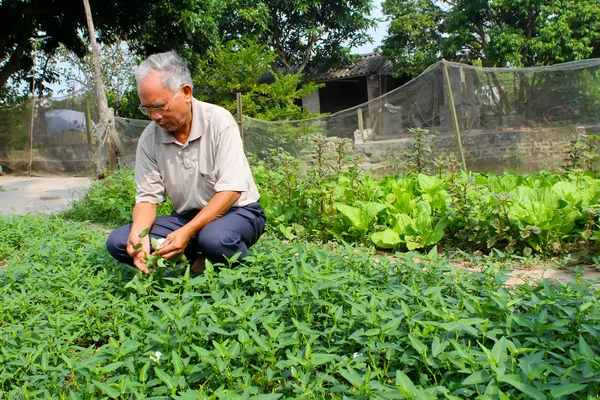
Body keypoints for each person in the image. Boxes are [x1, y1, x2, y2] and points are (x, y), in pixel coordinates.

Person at [106, 50, 265, 273]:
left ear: (186, 92)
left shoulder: (219, 122)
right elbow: (147, 198)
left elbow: (231, 191)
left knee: (215, 239)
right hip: (186, 218)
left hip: (238, 212)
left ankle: (224, 261)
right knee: (118, 241)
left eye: (160, 106)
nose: (154, 116)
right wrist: (139, 235)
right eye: (147, 108)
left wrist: (188, 232)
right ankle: (199, 259)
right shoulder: (149, 139)